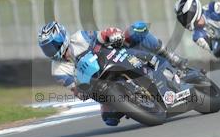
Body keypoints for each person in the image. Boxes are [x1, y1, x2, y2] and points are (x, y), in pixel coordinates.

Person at [38, 21, 187, 126]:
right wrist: (83, 92)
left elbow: (102, 35)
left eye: (53, 45)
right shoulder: (57, 70)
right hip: (98, 85)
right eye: (47, 49)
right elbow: (77, 91)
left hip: (113, 57)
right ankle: (137, 102)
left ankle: (170, 56)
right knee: (110, 119)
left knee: (137, 29)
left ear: (62, 37)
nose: (51, 51)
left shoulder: (80, 37)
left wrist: (113, 34)